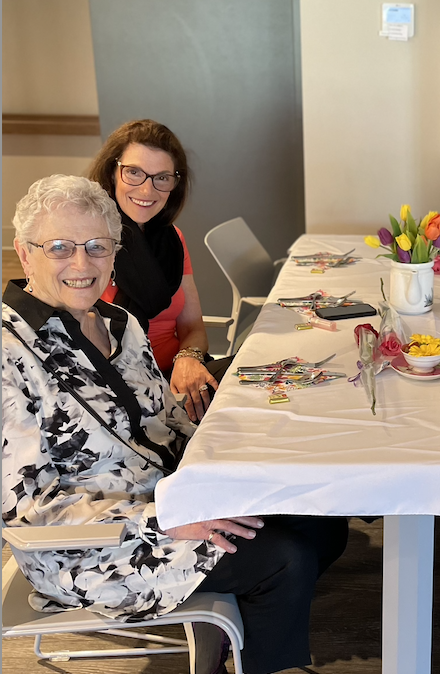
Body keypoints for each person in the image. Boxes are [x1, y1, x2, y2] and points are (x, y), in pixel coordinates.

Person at [2, 175, 348, 674]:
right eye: (59, 247)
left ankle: (231, 637)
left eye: (98, 246)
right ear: (24, 251)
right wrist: (162, 519)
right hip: (91, 546)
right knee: (283, 559)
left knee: (322, 524)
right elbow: (29, 513)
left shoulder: (120, 322)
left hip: (176, 494)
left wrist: (232, 450)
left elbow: (164, 421)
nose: (82, 264)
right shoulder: (9, 353)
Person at [89, 119, 218, 423]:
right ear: (112, 172)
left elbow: (193, 329)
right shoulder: (89, 242)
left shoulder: (173, 240)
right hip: (121, 394)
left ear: (175, 184)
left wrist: (188, 358)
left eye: (162, 177)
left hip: (181, 379)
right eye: (134, 172)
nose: (148, 189)